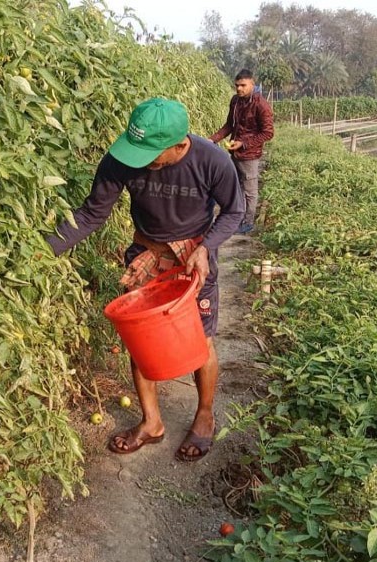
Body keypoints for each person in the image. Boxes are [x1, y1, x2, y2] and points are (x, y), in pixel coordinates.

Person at [46, 98, 245, 462]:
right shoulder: (123, 157)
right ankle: (151, 422)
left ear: (180, 145)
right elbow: (92, 213)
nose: (139, 161)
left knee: (201, 338)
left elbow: (235, 209)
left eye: (151, 154)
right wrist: (42, 250)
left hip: (192, 259)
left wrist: (208, 247)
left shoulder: (211, 160)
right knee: (141, 339)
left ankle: (204, 415)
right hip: (146, 254)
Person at [209, 68, 274, 234]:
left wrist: (243, 143)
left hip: (250, 155)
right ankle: (238, 220)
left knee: (250, 191)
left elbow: (268, 133)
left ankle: (248, 222)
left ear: (252, 84)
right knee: (237, 188)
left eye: (243, 85)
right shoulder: (235, 101)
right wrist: (212, 139)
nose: (239, 89)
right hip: (235, 153)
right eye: (237, 85)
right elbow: (229, 125)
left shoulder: (261, 105)